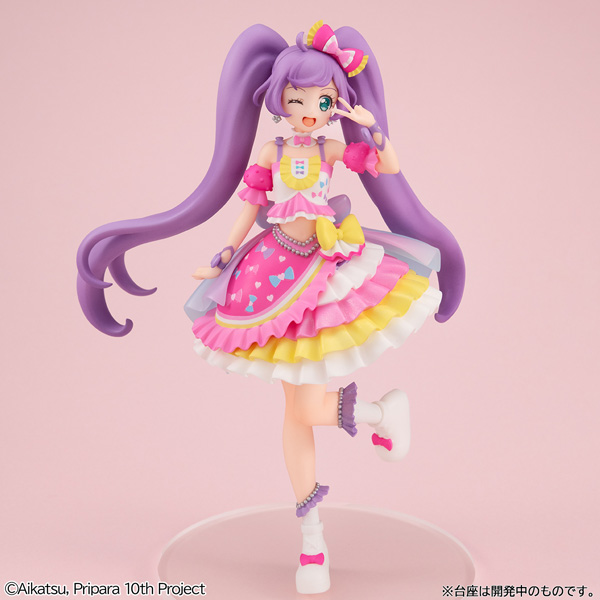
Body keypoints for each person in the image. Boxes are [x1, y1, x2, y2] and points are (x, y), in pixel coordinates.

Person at [77, 21, 465, 595]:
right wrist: (225, 252)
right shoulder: (272, 150)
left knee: (301, 408)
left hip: (327, 267)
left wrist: (372, 128)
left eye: (323, 101)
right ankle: (318, 527)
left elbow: (385, 167)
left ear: (335, 103)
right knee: (295, 410)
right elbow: (248, 205)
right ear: (279, 100)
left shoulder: (331, 147)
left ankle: (364, 446)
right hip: (272, 270)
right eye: (298, 100)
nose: (309, 112)